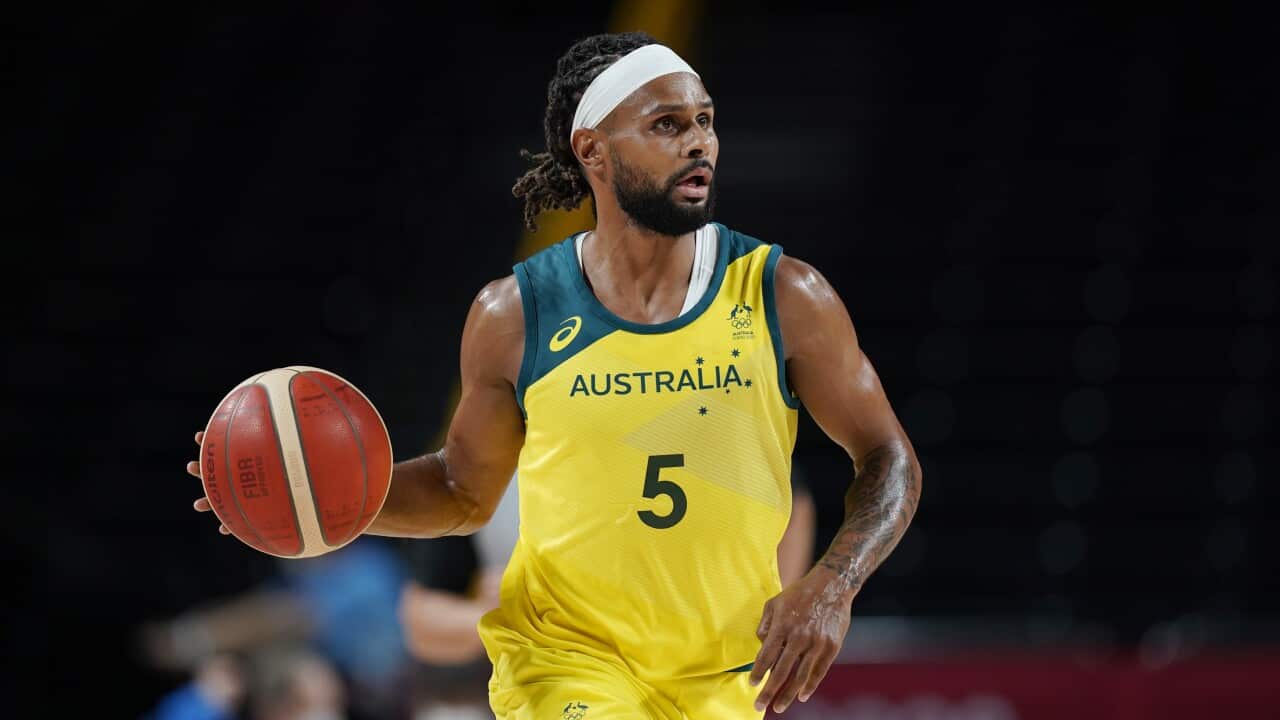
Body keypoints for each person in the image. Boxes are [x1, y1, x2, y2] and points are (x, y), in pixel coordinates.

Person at [186, 31, 921, 718]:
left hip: (724, 673)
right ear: (592, 149)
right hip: (565, 662)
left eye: (705, 120)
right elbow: (461, 491)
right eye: (667, 125)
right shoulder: (514, 314)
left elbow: (888, 457)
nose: (698, 141)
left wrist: (834, 583)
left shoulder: (784, 294)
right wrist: (322, 493)